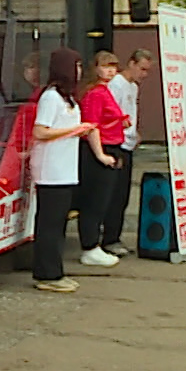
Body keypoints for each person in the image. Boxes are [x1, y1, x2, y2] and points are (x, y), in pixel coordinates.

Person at [29, 48, 96, 293]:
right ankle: (47, 273)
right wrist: (73, 131)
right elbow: (40, 131)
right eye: (76, 66)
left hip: (66, 167)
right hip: (50, 168)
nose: (79, 71)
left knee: (58, 223)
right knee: (49, 222)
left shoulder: (68, 98)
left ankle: (54, 269)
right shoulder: (50, 98)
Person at [74, 50, 129, 267]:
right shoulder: (96, 93)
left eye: (113, 66)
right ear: (95, 68)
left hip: (111, 146)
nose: (110, 71)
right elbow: (91, 126)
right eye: (106, 66)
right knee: (95, 202)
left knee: (103, 200)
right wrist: (101, 155)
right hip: (101, 149)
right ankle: (90, 246)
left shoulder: (103, 91)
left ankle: (93, 245)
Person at [100, 48, 152, 256]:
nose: (144, 74)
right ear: (131, 64)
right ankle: (109, 237)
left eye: (147, 70)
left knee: (123, 194)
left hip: (128, 142)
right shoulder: (117, 85)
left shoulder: (133, 87)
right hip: (116, 143)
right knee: (115, 194)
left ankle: (114, 234)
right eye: (141, 69)